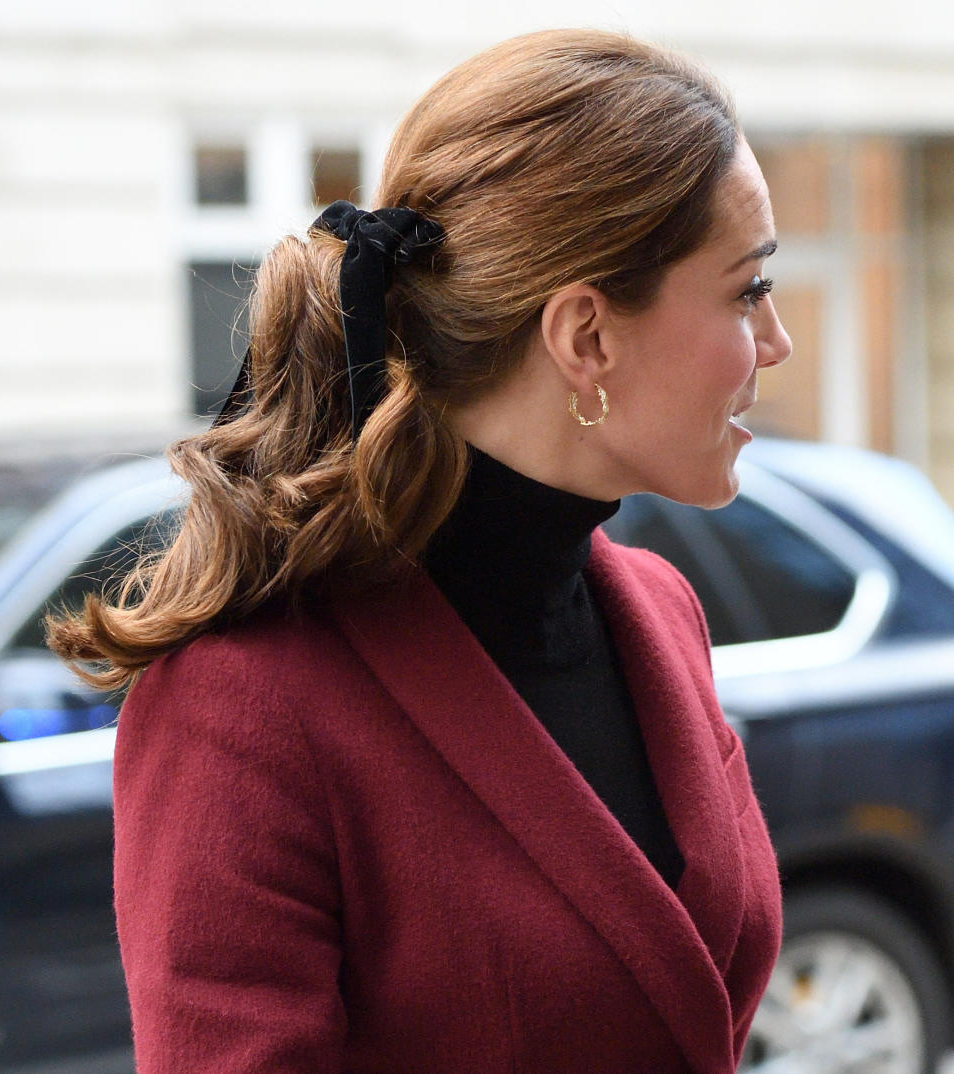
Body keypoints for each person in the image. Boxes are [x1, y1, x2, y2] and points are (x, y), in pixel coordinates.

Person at [50, 27, 792, 1074]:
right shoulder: (241, 710)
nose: (776, 342)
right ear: (586, 338)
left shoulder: (662, 610)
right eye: (748, 290)